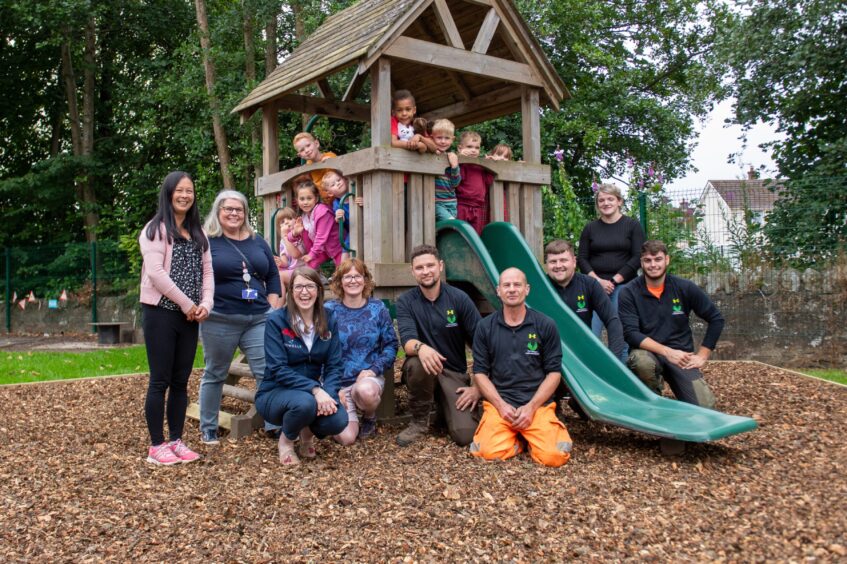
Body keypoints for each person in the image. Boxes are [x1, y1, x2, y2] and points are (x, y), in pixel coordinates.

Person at [138, 171, 213, 465]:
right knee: (160, 380)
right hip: (161, 313)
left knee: (182, 381)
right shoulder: (154, 229)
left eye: (190, 191)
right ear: (168, 194)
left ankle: (177, 441)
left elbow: (207, 272)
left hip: (190, 316)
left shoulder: (198, 232)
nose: (185, 195)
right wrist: (186, 304)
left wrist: (205, 303)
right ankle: (157, 446)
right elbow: (156, 274)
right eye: (179, 190)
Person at [197, 190, 283, 445]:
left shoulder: (257, 241)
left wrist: (273, 305)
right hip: (219, 317)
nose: (234, 213)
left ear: (245, 213)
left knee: (267, 371)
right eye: (228, 209)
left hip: (258, 318)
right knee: (215, 372)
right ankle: (209, 427)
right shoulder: (206, 240)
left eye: (239, 209)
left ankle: (274, 423)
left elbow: (273, 276)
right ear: (218, 211)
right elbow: (196, 276)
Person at [469, 268, 572, 467]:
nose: (512, 289)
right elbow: (480, 373)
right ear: (498, 291)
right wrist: (501, 405)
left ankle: (531, 436)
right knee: (485, 452)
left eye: (517, 285)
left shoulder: (545, 325)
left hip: (537, 404)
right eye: (506, 285)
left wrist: (531, 407)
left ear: (527, 289)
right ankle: (520, 441)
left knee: (555, 457)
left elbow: (554, 373)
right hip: (501, 405)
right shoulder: (485, 327)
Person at [255, 267, 348, 465]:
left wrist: (329, 395)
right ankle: (286, 441)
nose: (304, 292)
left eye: (309, 286)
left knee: (338, 420)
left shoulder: (328, 319)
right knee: (305, 403)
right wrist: (315, 390)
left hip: (310, 394)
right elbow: (277, 369)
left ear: (319, 291)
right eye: (298, 287)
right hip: (275, 392)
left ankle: (306, 434)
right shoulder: (276, 320)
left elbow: (334, 365)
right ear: (290, 292)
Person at [619, 240, 723, 408]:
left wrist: (702, 355)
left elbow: (716, 319)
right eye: (648, 260)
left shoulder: (685, 287)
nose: (653, 265)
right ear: (641, 263)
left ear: (667, 260)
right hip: (648, 353)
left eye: (658, 259)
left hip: (681, 357)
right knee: (641, 363)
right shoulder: (629, 292)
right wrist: (667, 352)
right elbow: (631, 334)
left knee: (706, 408)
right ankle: (654, 404)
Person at [395, 244, 481, 447]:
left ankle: (445, 408)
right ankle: (419, 421)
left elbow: (482, 343)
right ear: (413, 271)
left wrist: (477, 387)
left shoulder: (459, 298)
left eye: (430, 265)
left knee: (465, 435)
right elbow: (407, 342)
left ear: (440, 266)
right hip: (423, 371)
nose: (426, 271)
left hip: (454, 373)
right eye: (419, 268)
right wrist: (422, 348)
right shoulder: (406, 301)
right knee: (417, 363)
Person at [325, 259, 399, 443]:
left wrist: (373, 369)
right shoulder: (328, 310)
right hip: (338, 382)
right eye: (347, 276)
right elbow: (319, 349)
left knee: (365, 391)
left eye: (357, 276)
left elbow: (391, 345)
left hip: (366, 379)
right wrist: (330, 388)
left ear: (365, 280)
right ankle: (346, 415)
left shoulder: (377, 308)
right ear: (339, 281)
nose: (353, 281)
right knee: (346, 439)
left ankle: (369, 416)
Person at [577, 183, 645, 358]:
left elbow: (638, 257)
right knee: (591, 334)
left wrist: (614, 281)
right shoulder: (590, 228)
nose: (605, 203)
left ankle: (620, 378)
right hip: (594, 286)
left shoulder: (632, 226)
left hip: (623, 287)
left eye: (610, 199)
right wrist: (597, 281)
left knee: (619, 336)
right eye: (601, 200)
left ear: (619, 202)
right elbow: (582, 258)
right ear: (597, 204)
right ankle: (593, 377)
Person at [544, 240, 626, 362]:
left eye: (563, 260)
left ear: (574, 262)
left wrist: (613, 360)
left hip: (582, 355)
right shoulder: (540, 287)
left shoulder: (589, 284)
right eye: (553, 261)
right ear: (546, 265)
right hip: (548, 354)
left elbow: (612, 320)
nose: (558, 265)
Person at [286, 181, 343, 270]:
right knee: (308, 268)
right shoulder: (304, 217)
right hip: (322, 250)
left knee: (342, 271)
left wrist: (312, 254)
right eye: (302, 199)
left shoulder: (322, 212)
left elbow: (321, 237)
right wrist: (295, 233)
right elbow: (291, 238)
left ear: (316, 199)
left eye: (309, 198)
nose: (305, 202)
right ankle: (313, 282)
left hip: (337, 247)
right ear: (297, 200)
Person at [456, 131, 494, 235]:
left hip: (478, 206)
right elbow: (458, 179)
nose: (473, 150)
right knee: (460, 233)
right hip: (462, 204)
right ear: (460, 148)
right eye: (469, 147)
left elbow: (488, 181)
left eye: (477, 148)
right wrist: (460, 159)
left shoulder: (480, 166)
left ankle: (473, 251)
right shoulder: (461, 163)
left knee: (475, 235)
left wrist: (490, 166)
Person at [321, 169, 363, 252]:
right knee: (346, 245)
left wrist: (364, 201)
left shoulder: (358, 191)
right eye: (333, 185)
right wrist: (339, 217)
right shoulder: (336, 204)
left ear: (345, 179)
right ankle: (343, 264)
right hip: (353, 229)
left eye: (339, 180)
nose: (338, 183)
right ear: (330, 193)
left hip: (367, 224)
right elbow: (340, 220)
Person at [292, 132, 337, 204]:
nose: (306, 150)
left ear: (316, 143)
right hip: (323, 202)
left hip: (337, 198)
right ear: (300, 155)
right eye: (302, 150)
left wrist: (331, 162)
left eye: (308, 145)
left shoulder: (330, 156)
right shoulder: (307, 167)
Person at [430, 119, 461, 222]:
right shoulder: (430, 155)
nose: (443, 141)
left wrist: (455, 166)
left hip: (452, 202)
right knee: (453, 224)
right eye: (439, 137)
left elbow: (455, 183)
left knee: (446, 231)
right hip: (436, 202)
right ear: (432, 138)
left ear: (452, 139)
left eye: (447, 138)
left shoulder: (452, 157)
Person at [390, 90, 433, 154]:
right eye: (399, 110)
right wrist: (417, 145)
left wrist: (420, 137)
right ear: (393, 112)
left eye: (408, 109)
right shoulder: (393, 121)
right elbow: (393, 143)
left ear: (414, 110)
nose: (404, 113)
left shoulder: (417, 123)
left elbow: (433, 147)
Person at [274, 206, 305, 293]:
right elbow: (286, 262)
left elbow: (296, 255)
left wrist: (284, 237)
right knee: (271, 274)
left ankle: (277, 306)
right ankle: (274, 304)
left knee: (279, 276)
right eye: (282, 222)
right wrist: (280, 262)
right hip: (292, 271)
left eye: (290, 218)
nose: (287, 222)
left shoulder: (301, 235)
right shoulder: (283, 241)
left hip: (303, 270)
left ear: (296, 220)